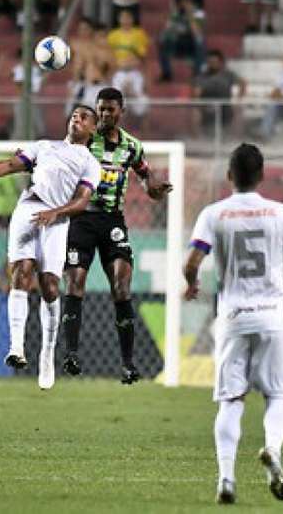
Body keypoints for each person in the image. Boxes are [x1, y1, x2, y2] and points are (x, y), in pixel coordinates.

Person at [183, 143, 283, 504]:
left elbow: (192, 263)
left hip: (233, 317)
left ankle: (226, 479)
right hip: (272, 316)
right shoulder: (282, 212)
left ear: (229, 175)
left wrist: (192, 284)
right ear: (262, 175)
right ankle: (271, 448)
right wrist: (273, 283)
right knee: (279, 395)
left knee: (231, 400)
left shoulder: (214, 213)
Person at [0, 105, 102, 390]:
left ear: (93, 129)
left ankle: (47, 354)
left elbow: (82, 202)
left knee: (50, 285)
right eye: (74, 114)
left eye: (84, 117)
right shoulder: (44, 146)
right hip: (28, 210)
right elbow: (13, 165)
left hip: (58, 218)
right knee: (20, 273)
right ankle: (16, 348)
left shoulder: (90, 162)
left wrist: (57, 213)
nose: (77, 118)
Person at [62, 87, 172, 384]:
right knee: (75, 282)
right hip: (81, 219)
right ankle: (71, 353)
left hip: (112, 221)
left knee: (122, 287)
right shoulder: (84, 139)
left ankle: (128, 364)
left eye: (110, 109)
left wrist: (152, 187)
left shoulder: (132, 146)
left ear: (121, 111)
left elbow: (144, 172)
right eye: (101, 109)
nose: (105, 114)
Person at [191, 50, 247, 138]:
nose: (211, 64)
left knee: (238, 110)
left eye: (214, 62)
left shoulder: (228, 74)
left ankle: (234, 139)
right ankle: (198, 139)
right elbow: (196, 93)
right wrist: (198, 100)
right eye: (209, 62)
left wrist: (238, 99)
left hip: (226, 107)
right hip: (207, 107)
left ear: (220, 62)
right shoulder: (201, 76)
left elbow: (243, 83)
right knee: (195, 112)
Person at [107, 10, 150, 119]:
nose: (125, 20)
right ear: (119, 20)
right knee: (116, 102)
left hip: (134, 72)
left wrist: (131, 64)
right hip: (118, 72)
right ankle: (119, 130)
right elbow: (109, 56)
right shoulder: (113, 36)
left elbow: (142, 56)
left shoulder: (139, 34)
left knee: (141, 101)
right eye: (123, 18)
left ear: (132, 19)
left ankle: (144, 132)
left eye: (128, 18)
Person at [68, 19, 116, 115]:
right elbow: (79, 69)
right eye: (98, 36)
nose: (101, 39)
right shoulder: (86, 50)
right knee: (79, 113)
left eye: (103, 36)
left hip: (101, 86)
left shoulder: (108, 53)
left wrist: (95, 59)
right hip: (87, 87)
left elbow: (108, 72)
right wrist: (74, 85)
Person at [157, 0, 206, 82]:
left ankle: (197, 74)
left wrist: (190, 15)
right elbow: (169, 28)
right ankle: (166, 73)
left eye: (188, 1)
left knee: (200, 41)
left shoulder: (199, 13)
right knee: (162, 39)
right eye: (183, 1)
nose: (185, 4)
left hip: (192, 44)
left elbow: (196, 32)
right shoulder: (176, 13)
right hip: (178, 42)